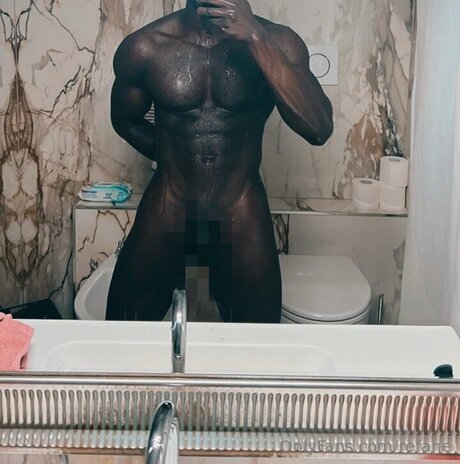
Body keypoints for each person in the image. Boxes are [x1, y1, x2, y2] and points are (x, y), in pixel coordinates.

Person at [106, 0, 333, 322]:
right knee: (123, 331)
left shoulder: (278, 40)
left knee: (255, 340)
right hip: (169, 206)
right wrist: (178, 158)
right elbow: (125, 120)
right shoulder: (145, 46)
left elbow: (318, 128)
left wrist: (255, 36)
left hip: (240, 207)